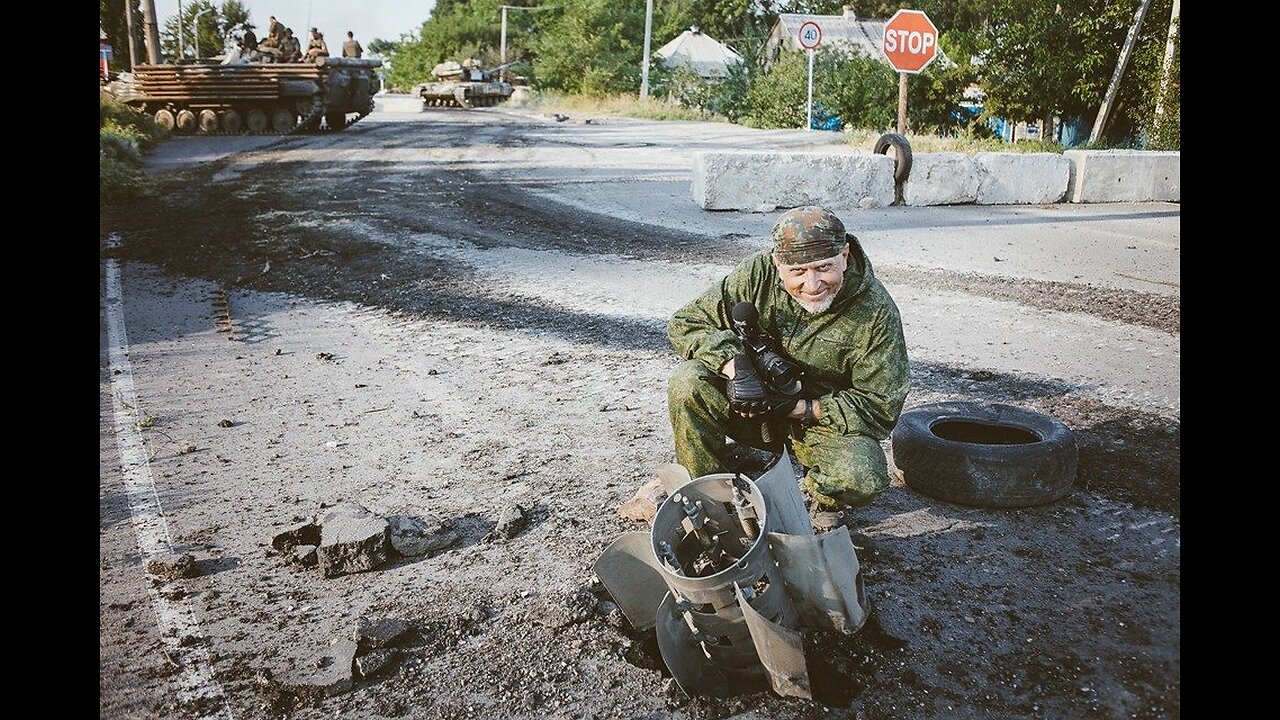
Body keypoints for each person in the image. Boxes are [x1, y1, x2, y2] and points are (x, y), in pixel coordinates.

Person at [666, 206, 910, 524]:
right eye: (797, 272)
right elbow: (686, 322)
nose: (812, 285)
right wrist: (735, 365)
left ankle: (822, 500)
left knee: (861, 475)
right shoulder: (757, 275)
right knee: (688, 383)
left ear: (845, 254)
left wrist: (796, 407)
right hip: (749, 409)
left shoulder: (876, 312)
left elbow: (880, 407)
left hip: (820, 424)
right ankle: (709, 502)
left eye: (824, 267)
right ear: (777, 264)